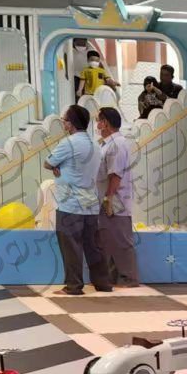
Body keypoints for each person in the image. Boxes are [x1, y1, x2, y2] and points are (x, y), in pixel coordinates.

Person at [45, 104, 111, 296]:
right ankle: (103, 283)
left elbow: (48, 162)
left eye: (65, 120)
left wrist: (57, 167)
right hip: (91, 202)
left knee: (71, 246)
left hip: (70, 203)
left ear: (71, 123)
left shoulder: (69, 143)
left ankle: (73, 286)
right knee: (93, 246)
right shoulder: (95, 145)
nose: (63, 124)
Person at [95, 106, 140, 289]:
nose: (97, 125)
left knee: (121, 239)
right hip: (107, 197)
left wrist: (109, 198)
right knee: (108, 239)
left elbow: (115, 174)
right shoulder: (106, 144)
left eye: (99, 121)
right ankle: (113, 277)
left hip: (115, 199)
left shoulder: (117, 144)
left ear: (105, 123)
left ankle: (129, 278)